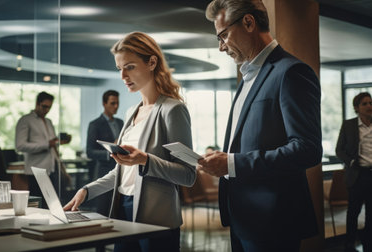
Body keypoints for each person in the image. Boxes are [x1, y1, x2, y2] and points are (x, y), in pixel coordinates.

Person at [197, 1, 322, 251]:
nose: (221, 47)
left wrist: (231, 163)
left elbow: (307, 149)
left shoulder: (292, 72)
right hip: (241, 217)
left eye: (223, 35)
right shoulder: (245, 79)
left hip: (275, 223)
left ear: (249, 22)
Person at [64, 31, 196, 252]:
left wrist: (145, 160)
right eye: (119, 69)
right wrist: (87, 190)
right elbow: (123, 171)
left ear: (152, 62)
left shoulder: (173, 110)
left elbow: (188, 174)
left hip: (157, 218)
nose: (123, 75)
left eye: (130, 67)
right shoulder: (130, 112)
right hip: (123, 210)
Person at [15, 91, 71, 204]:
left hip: (52, 170)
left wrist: (63, 170)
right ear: (37, 103)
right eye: (44, 106)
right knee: (38, 205)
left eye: (49, 107)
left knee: (53, 205)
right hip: (36, 171)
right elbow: (19, 146)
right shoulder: (25, 120)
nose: (47, 110)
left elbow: (53, 145)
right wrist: (47, 144)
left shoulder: (49, 122)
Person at [336, 92, 372, 252]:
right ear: (357, 107)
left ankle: (369, 241)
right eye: (364, 103)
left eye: (370, 102)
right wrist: (350, 162)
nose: (369, 106)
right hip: (357, 174)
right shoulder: (349, 124)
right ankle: (349, 243)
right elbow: (339, 149)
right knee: (353, 211)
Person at [86, 89, 124, 216]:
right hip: (103, 171)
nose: (116, 106)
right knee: (103, 209)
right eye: (113, 103)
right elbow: (90, 152)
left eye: (117, 103)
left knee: (119, 210)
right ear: (104, 103)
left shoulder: (120, 122)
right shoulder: (95, 124)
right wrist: (111, 152)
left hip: (121, 171)